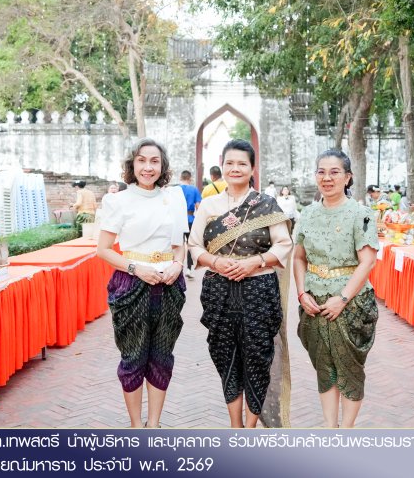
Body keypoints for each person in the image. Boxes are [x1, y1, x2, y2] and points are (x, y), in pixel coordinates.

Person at [188, 139, 292, 428]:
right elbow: (195, 246)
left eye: (242, 164)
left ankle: (249, 428)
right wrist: (215, 262)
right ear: (222, 166)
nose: (235, 168)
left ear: (252, 168)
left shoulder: (266, 204)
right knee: (225, 355)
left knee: (258, 357)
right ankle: (235, 428)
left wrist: (254, 262)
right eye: (230, 163)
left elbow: (283, 244)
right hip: (219, 290)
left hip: (259, 290)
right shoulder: (209, 205)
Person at [96, 138, 189, 429]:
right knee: (133, 355)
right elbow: (104, 249)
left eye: (154, 161)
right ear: (132, 164)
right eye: (141, 160)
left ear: (162, 166)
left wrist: (177, 264)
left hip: (168, 282)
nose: (148, 167)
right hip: (131, 283)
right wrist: (137, 268)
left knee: (162, 354)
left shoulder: (173, 197)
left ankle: (154, 425)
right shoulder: (118, 200)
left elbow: (179, 244)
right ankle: (137, 425)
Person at [293, 149, 379, 428]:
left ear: (347, 177)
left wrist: (342, 299)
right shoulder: (306, 214)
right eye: (321, 172)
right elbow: (298, 257)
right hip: (314, 302)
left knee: (349, 368)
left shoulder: (360, 214)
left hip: (350, 303)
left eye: (334, 172)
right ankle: (330, 428)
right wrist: (302, 293)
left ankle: (347, 430)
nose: (327, 178)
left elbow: (367, 261)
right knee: (324, 367)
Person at [179, 170, 202, 279]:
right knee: (190, 245)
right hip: (190, 219)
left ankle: (177, 267)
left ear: (181, 177)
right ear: (190, 178)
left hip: (177, 221)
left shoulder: (176, 189)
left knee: (176, 244)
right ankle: (188, 269)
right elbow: (198, 206)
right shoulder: (194, 189)